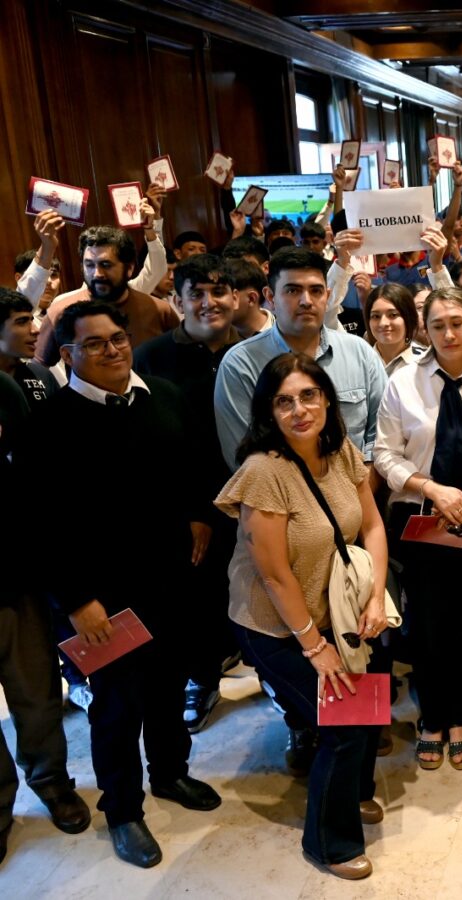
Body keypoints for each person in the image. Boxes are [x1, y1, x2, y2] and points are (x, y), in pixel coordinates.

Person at [22, 302, 220, 868]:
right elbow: (41, 525)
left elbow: (195, 466)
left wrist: (199, 515)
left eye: (118, 338)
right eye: (95, 344)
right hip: (101, 600)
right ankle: (124, 810)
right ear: (67, 355)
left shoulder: (164, 397)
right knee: (116, 707)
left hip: (170, 581)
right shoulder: (50, 424)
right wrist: (77, 600)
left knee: (168, 688)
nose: (112, 350)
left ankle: (170, 773)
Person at [215, 353, 389, 879]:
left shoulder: (341, 451)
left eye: (308, 396)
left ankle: (350, 793)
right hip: (277, 624)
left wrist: (375, 597)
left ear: (327, 399)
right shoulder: (264, 472)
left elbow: (372, 527)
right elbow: (274, 576)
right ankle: (329, 844)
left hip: (339, 606)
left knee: (370, 706)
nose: (299, 410)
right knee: (342, 726)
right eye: (284, 401)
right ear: (269, 412)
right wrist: (315, 647)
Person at [374, 288, 462, 771]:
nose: (448, 333)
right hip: (420, 517)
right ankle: (432, 717)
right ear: (424, 330)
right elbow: (385, 453)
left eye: (457, 323)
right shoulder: (404, 382)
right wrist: (432, 489)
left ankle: (459, 716)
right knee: (427, 622)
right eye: (437, 325)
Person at [134, 254, 242, 733]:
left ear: (235, 297)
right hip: (191, 507)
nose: (209, 303)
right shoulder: (151, 358)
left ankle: (278, 688)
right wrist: (192, 510)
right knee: (197, 599)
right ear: (177, 302)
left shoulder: (256, 349)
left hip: (255, 498)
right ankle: (202, 677)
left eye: (218, 291)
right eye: (196, 294)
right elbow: (149, 446)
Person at [0, 373, 90, 868]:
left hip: (17, 582)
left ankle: (51, 781)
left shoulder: (4, 389)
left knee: (36, 696)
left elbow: (32, 474)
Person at [214, 246, 388, 472]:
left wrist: (361, 488)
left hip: (361, 487)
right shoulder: (240, 364)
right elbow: (245, 458)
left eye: (316, 291)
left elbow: (382, 435)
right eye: (293, 291)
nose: (306, 301)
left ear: (327, 296)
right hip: (279, 493)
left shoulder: (359, 352)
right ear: (270, 297)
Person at [34, 226, 178, 365]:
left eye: (106, 265)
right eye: (90, 265)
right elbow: (38, 369)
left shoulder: (160, 311)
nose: (97, 274)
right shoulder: (60, 312)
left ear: (129, 268)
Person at [364, 283, 420, 376]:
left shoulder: (426, 361)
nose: (383, 323)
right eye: (376, 316)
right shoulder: (358, 363)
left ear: (409, 317)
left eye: (393, 315)